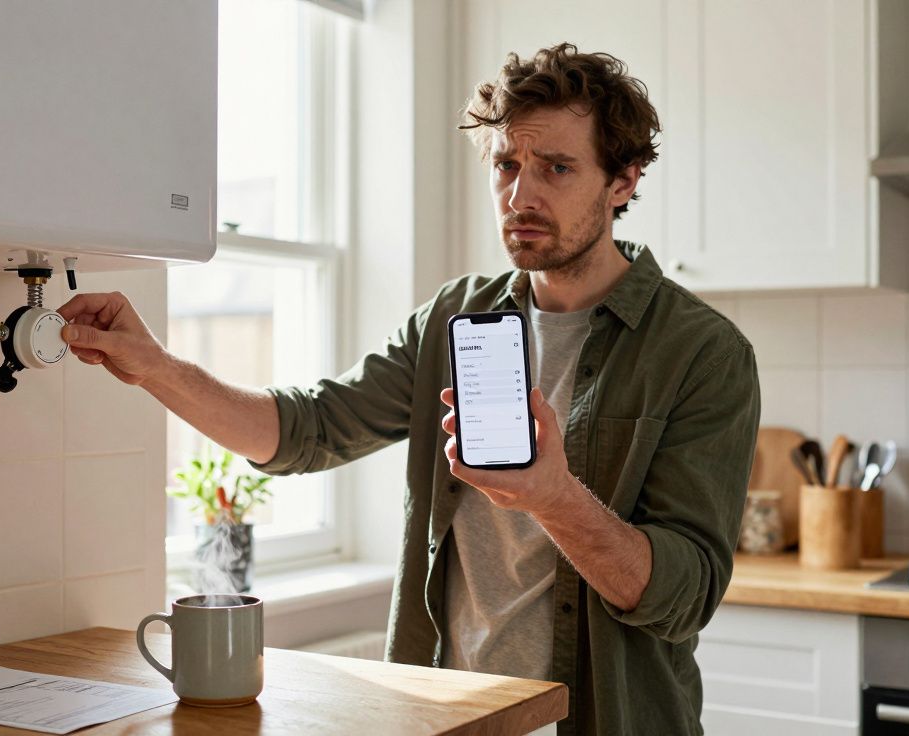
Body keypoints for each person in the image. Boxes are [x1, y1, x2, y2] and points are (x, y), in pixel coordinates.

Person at [58, 43, 759, 736]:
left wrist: (553, 497)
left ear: (623, 182)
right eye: (507, 165)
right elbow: (308, 430)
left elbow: (681, 596)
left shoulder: (702, 352)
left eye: (557, 168)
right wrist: (153, 365)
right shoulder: (456, 318)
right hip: (448, 715)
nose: (521, 195)